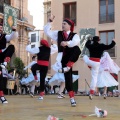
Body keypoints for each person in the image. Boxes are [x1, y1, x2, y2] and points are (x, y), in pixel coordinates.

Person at [44, 15, 81, 107]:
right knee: (67, 78)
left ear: (69, 25)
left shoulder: (74, 35)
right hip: (63, 57)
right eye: (62, 24)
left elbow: (75, 42)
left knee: (77, 49)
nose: (62, 25)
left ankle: (68, 67)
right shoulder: (58, 33)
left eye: (64, 24)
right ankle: (72, 98)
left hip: (70, 56)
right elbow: (47, 32)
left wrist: (67, 43)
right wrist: (49, 22)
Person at [0, 23, 18, 103]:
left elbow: (12, 36)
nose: (0, 28)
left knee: (12, 47)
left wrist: (14, 30)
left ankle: (5, 63)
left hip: (1, 56)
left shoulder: (4, 36)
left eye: (1, 27)